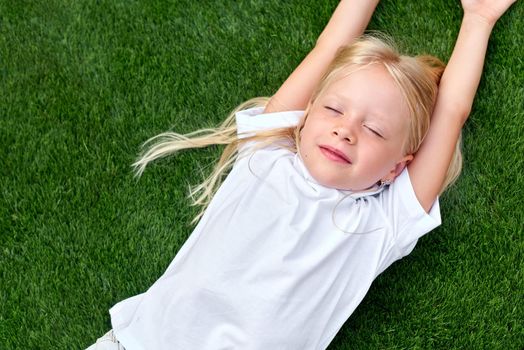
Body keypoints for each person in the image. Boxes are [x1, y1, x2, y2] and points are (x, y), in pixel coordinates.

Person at [87, 0, 518, 349]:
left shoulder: (380, 223)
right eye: (333, 109)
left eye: (373, 130)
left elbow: (450, 113)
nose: (345, 130)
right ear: (305, 114)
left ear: (396, 168)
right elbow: (328, 50)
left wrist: (478, 18)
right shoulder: (266, 151)